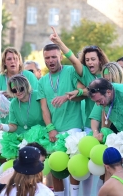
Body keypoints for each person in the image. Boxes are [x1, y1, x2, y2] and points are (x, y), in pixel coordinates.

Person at [38, 43, 83, 196]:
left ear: (60, 57)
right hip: (55, 129)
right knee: (56, 166)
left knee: (73, 165)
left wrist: (67, 96)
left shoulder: (70, 71)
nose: (50, 61)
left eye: (53, 57)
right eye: (47, 58)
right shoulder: (42, 81)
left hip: (73, 126)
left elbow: (83, 92)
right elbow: (44, 108)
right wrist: (50, 128)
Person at [49, 27, 109, 133]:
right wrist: (59, 43)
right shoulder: (85, 73)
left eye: (93, 59)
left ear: (100, 60)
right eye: (87, 60)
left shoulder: (108, 74)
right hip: (90, 126)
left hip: (109, 123)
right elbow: (74, 61)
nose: (90, 62)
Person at [0, 47, 38, 123]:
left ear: (19, 61)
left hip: (28, 123)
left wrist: (13, 94)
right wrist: (0, 107)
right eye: (9, 59)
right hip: (8, 124)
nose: (12, 61)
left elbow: (36, 98)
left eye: (15, 58)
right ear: (4, 62)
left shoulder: (29, 76)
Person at [89, 62, 123, 141]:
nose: (109, 83)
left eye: (111, 80)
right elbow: (95, 118)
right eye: (106, 80)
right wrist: (96, 132)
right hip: (113, 135)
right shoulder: (103, 97)